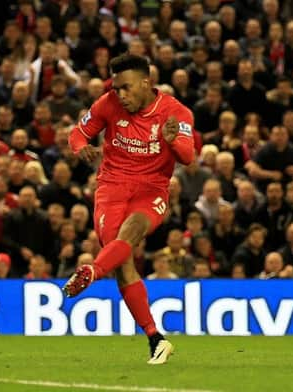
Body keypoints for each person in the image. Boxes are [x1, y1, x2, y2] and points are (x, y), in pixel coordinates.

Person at [62, 54, 194, 364]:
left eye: (126, 88)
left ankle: (92, 271)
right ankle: (156, 339)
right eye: (117, 88)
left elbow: (187, 157)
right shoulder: (108, 103)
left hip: (151, 190)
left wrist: (173, 141)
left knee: (131, 232)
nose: (121, 95)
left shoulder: (176, 112)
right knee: (122, 263)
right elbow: (78, 133)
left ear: (146, 83)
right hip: (111, 189)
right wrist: (81, 148)